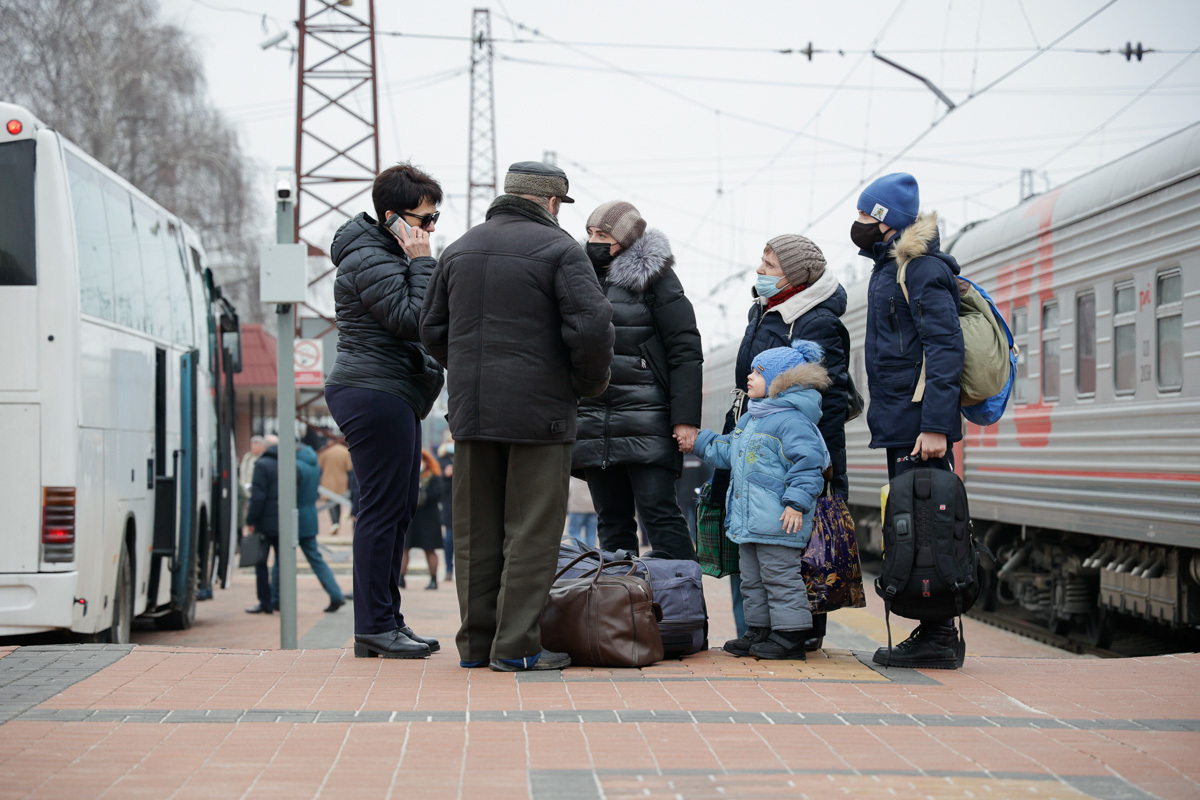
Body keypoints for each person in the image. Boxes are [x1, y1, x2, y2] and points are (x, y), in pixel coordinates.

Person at [421, 160, 614, 672]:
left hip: (471, 414)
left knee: (474, 531)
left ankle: (476, 645)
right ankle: (517, 647)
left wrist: (469, 371)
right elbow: (592, 329)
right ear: (551, 203)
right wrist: (585, 385)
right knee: (530, 530)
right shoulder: (560, 250)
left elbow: (431, 328)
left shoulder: (459, 249)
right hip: (540, 416)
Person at [324, 163, 446, 659]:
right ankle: (374, 626)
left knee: (397, 510)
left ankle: (387, 620)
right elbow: (411, 319)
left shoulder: (384, 252)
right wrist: (423, 262)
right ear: (394, 218)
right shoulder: (367, 257)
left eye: (435, 219)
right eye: (425, 219)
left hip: (391, 390)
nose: (431, 230)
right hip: (373, 390)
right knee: (379, 511)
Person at [854, 173, 965, 670]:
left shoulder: (919, 270)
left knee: (928, 527)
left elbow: (944, 349)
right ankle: (932, 628)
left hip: (921, 425)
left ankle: (938, 636)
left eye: (863, 216)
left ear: (885, 222)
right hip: (904, 419)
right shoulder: (890, 267)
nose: (855, 225)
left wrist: (937, 425)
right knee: (915, 527)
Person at [721, 234, 852, 649]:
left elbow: (823, 400)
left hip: (789, 450)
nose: (759, 270)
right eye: (762, 260)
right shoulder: (763, 311)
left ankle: (799, 633)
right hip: (754, 437)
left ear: (795, 276)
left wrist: (817, 468)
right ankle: (758, 631)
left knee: (793, 549)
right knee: (751, 539)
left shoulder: (817, 322)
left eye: (770, 265)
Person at [573, 201, 703, 562]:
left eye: (603, 235)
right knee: (612, 525)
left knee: (660, 518)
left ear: (627, 240)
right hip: (594, 422)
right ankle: (620, 613)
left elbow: (685, 350)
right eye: (590, 233)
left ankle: (685, 615)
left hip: (647, 421)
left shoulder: (655, 278)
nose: (593, 241)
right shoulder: (580, 276)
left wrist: (685, 419)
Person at [694, 341, 830, 660]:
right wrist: (699, 442)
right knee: (752, 581)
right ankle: (759, 629)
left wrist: (795, 502)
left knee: (780, 578)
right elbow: (729, 452)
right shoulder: (752, 419)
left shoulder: (792, 421)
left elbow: (810, 463)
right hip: (750, 521)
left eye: (759, 372)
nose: (750, 378)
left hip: (779, 519)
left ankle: (791, 635)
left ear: (781, 379)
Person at [244, 437, 349, 614]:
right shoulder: (312, 462)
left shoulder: (294, 467)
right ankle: (335, 594)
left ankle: (276, 599)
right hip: (309, 515)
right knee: (316, 560)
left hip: (294, 517)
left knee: (280, 560)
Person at [400, 450, 443, 591]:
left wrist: (422, 490)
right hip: (411, 517)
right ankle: (400, 578)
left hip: (428, 518)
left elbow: (438, 494)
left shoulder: (433, 476)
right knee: (404, 548)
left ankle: (433, 579)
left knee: (430, 549)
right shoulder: (407, 475)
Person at [318, 438, 353, 534]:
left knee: (330, 503)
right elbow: (349, 467)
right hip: (341, 480)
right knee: (338, 502)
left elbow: (319, 465)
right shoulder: (345, 452)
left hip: (327, 480)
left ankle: (334, 523)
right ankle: (337, 522)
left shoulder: (325, 451)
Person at [436, 433, 455, 580]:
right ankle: (449, 567)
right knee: (449, 536)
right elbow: (437, 485)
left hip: (464, 499)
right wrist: (445, 475)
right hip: (449, 502)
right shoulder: (442, 460)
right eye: (450, 440)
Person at [237, 435, 265, 526]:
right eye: (252, 446)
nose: (254, 448)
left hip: (254, 489)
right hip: (244, 488)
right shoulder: (247, 457)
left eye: (256, 446)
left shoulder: (262, 458)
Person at [566, 477, 598, 548]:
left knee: (574, 532)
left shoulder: (576, 469)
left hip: (577, 506)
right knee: (591, 533)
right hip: (593, 505)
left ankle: (585, 551)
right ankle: (591, 554)